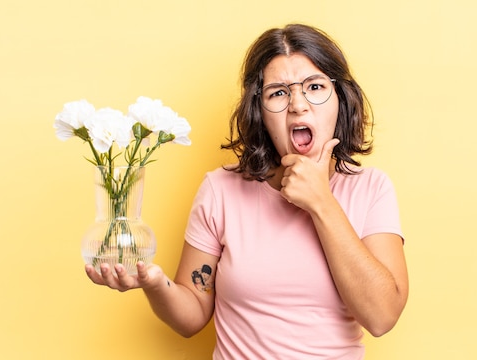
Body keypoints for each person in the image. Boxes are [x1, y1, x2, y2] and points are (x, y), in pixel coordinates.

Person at [86, 23, 409, 359]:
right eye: (279, 92)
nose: (298, 104)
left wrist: (321, 202)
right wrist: (154, 284)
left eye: (314, 86)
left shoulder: (372, 188)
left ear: (340, 98)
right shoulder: (220, 190)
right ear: (260, 112)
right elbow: (192, 314)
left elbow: (382, 317)